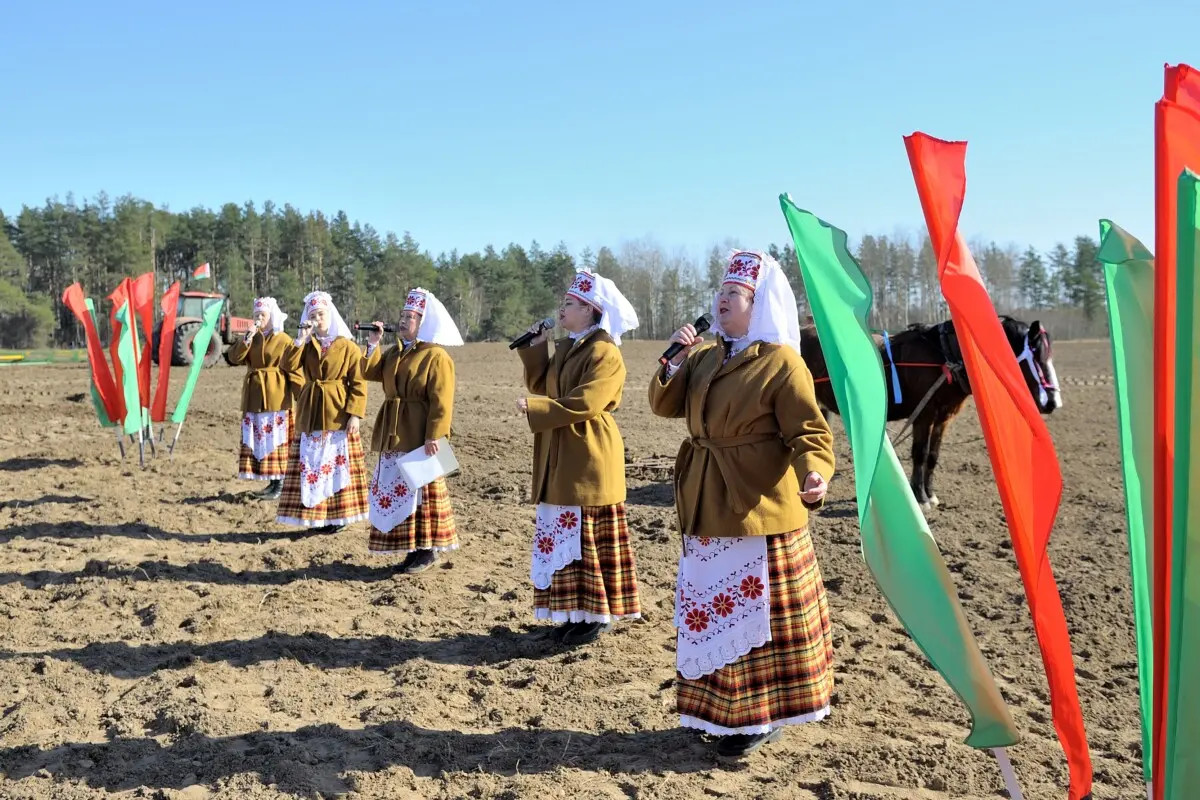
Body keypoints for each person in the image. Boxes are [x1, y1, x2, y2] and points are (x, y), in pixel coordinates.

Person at [648, 250, 836, 759]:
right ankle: (711, 709)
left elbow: (809, 432)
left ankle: (760, 718)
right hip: (705, 499)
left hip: (757, 507)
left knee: (753, 617)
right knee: (711, 611)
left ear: (760, 305)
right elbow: (663, 406)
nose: (721, 302)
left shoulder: (781, 361)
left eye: (733, 296)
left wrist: (815, 472)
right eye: (720, 294)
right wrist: (674, 361)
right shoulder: (708, 355)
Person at [515, 269, 641, 647]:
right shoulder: (572, 345)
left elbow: (587, 402)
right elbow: (544, 385)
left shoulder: (604, 351)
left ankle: (596, 615)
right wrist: (539, 346)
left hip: (588, 452)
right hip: (562, 447)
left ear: (590, 310)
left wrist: (538, 409)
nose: (562, 308)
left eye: (569, 304)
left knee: (584, 536)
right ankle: (574, 611)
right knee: (564, 534)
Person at [362, 287, 464, 574]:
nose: (404, 320)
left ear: (423, 322)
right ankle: (411, 547)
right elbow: (369, 373)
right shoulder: (395, 351)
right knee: (401, 491)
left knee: (423, 490)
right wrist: (372, 344)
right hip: (394, 429)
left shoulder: (436, 356)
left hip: (419, 431)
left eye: (411, 316)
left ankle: (427, 549)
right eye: (403, 315)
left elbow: (442, 399)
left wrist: (436, 435)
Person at [275, 291, 370, 533]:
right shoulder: (306, 345)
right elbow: (287, 366)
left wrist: (355, 415)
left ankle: (339, 517)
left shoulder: (347, 346)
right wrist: (299, 339)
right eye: (313, 315)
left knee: (336, 463)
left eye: (321, 314)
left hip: (337, 411)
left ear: (331, 315)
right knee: (313, 462)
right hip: (311, 409)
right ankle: (317, 515)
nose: (317, 319)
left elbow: (358, 383)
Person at [227, 297, 304, 500]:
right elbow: (234, 358)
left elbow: (294, 369)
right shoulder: (252, 337)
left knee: (276, 439)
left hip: (276, 396)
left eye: (263, 315)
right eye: (256, 315)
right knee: (262, 438)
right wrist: (246, 339)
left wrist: (302, 396)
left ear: (272, 316)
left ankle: (280, 483)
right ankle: (272, 481)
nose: (259, 318)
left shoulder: (284, 340)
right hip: (254, 395)